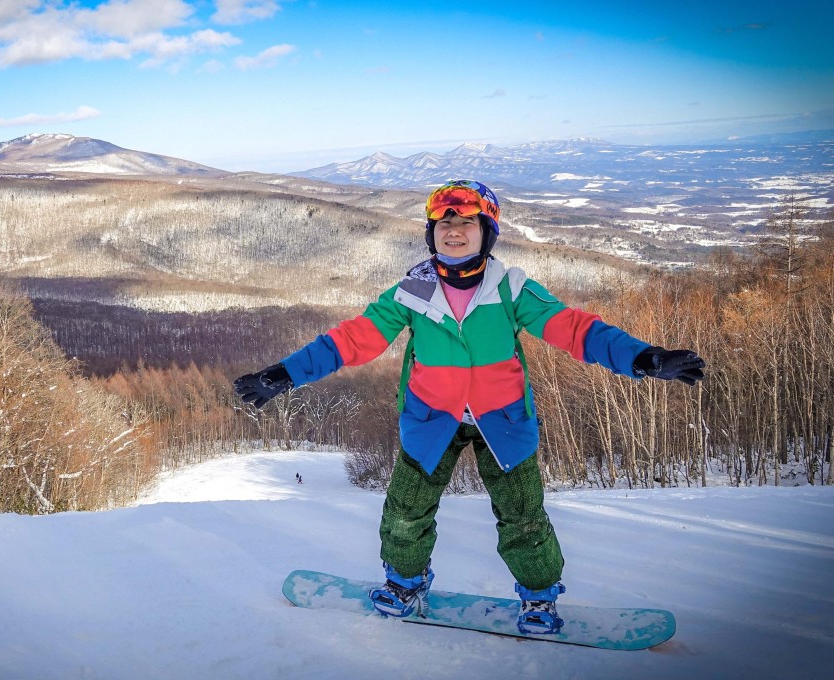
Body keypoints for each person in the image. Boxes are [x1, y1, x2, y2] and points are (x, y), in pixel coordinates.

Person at [233, 180, 705, 634]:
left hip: (501, 420)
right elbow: (352, 340)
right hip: (430, 420)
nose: (453, 232)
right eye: (443, 225)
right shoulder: (411, 293)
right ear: (431, 234)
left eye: (467, 224)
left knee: (523, 517)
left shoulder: (510, 289)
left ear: (487, 234)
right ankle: (404, 585)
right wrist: (285, 373)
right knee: (405, 512)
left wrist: (643, 357)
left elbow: (577, 330)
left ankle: (539, 597)